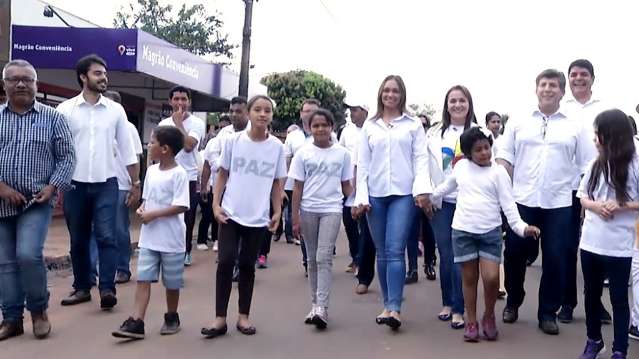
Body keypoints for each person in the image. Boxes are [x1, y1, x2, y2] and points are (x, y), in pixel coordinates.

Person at [496, 69, 590, 335]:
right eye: (543, 84)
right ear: (536, 89)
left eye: (553, 85)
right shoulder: (519, 120)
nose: (548, 89)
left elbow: (586, 166)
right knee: (514, 252)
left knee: (556, 258)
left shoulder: (574, 125)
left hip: (560, 201)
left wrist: (584, 201)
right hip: (522, 199)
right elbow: (505, 158)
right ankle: (513, 300)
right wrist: (503, 196)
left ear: (562, 91)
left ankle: (548, 312)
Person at [431, 127, 540, 342]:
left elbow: (509, 206)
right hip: (463, 231)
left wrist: (522, 227)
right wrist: (429, 196)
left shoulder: (498, 172)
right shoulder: (461, 167)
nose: (484, 153)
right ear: (468, 153)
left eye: (487, 148)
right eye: (478, 150)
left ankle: (489, 315)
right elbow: (446, 187)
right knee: (469, 279)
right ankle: (471, 321)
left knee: (491, 279)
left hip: (490, 232)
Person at [57, 54, 140, 310]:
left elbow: (127, 150)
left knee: (106, 236)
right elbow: (57, 149)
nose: (103, 77)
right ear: (83, 77)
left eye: (104, 73)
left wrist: (136, 183)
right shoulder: (65, 110)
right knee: (78, 239)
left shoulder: (116, 110)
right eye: (97, 73)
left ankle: (107, 289)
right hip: (74, 185)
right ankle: (82, 287)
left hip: (107, 183)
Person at [0, 59, 75, 340]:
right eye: (14, 79)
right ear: (4, 84)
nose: (21, 84)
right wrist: (2, 188)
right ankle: (11, 318)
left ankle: (39, 311)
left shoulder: (54, 118)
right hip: (1, 201)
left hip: (36, 200)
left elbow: (67, 156)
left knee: (28, 255)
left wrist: (53, 187)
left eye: (27, 79)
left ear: (36, 84)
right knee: (5, 263)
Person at [201, 95, 286, 338]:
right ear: (249, 113)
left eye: (267, 110)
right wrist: (216, 206)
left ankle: (243, 317)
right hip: (230, 213)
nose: (262, 114)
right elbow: (222, 174)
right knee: (225, 262)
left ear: (271, 115)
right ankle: (219, 319)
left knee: (248, 266)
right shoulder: (233, 141)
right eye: (257, 109)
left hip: (258, 217)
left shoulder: (277, 148)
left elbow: (276, 184)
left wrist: (277, 211)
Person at [353, 75, 431, 331]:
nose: (390, 95)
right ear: (380, 94)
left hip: (403, 194)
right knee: (382, 251)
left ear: (402, 94)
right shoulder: (370, 126)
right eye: (386, 90)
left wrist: (421, 191)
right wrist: (361, 197)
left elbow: (421, 160)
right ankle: (386, 305)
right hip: (375, 195)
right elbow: (362, 165)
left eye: (395, 91)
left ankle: (395, 308)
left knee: (396, 249)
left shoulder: (412, 125)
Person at [111, 126, 189, 340]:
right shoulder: (152, 171)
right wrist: (143, 208)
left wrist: (153, 215)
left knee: (171, 284)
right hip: (149, 238)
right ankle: (137, 321)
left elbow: (181, 206)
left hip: (172, 240)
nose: (148, 145)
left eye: (152, 142)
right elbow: (148, 198)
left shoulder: (179, 174)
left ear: (165, 148)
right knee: (143, 279)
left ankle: (172, 316)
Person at [577, 109, 639, 359]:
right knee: (591, 294)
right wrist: (595, 206)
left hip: (619, 244)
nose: (594, 139)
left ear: (611, 134)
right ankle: (594, 340)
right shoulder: (595, 163)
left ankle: (619, 349)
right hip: (591, 242)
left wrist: (621, 205)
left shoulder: (635, 163)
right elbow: (582, 196)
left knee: (618, 299)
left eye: (598, 133)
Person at [290, 109, 353, 329]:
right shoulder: (302, 153)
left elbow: (347, 186)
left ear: (331, 127)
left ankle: (323, 307)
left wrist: (359, 202)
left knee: (324, 256)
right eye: (315, 126)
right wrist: (294, 216)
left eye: (324, 125)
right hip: (308, 210)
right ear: (309, 128)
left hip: (332, 209)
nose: (320, 129)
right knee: (312, 259)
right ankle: (315, 304)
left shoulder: (343, 154)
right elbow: (297, 187)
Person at [561, 59, 613, 325]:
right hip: (567, 185)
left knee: (598, 248)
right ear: (568, 79)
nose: (578, 78)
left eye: (583, 74)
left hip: (600, 184)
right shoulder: (561, 108)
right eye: (573, 74)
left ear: (592, 78)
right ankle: (567, 303)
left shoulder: (605, 107)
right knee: (568, 247)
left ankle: (595, 303)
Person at [426, 85, 478, 329]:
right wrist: (427, 196)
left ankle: (461, 308)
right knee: (445, 254)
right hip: (441, 203)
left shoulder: (481, 132)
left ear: (469, 104)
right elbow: (424, 166)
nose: (457, 105)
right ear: (446, 105)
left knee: (462, 256)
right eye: (453, 101)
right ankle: (447, 302)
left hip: (467, 203)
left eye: (462, 100)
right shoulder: (434, 134)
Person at [91, 90, 142, 285]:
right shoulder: (95, 125)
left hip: (121, 184)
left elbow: (136, 157)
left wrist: (134, 183)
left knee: (119, 229)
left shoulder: (128, 128)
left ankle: (123, 268)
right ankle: (92, 272)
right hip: (97, 183)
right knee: (96, 229)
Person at [158, 86, 205, 266]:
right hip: (166, 177)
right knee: (165, 215)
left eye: (184, 99)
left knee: (187, 217)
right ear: (170, 101)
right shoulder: (163, 125)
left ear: (189, 102)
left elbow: (188, 146)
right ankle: (166, 250)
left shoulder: (197, 123)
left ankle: (185, 251)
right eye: (176, 99)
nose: (180, 103)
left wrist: (178, 124)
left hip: (188, 177)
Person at [283, 99, 321, 275]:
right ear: (301, 114)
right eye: (305, 111)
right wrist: (282, 185)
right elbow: (286, 160)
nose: (308, 114)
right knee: (302, 223)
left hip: (319, 187)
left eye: (312, 111)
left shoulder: (326, 133)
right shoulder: (293, 137)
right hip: (296, 185)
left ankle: (320, 258)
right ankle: (308, 260)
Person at [339, 100, 369, 275]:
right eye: (350, 110)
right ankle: (355, 257)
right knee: (349, 221)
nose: (352, 113)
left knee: (365, 226)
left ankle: (363, 261)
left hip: (366, 185)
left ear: (365, 110)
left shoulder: (373, 128)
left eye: (355, 110)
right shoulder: (347, 131)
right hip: (347, 185)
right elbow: (340, 154)